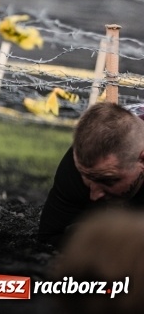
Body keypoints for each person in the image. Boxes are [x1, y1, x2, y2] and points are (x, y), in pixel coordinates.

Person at [38, 102, 144, 247]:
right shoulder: (85, 162)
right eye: (86, 177)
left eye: (107, 180)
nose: (94, 195)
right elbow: (49, 237)